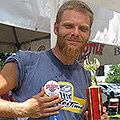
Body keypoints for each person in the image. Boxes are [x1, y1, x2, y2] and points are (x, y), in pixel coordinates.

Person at [0, 0, 109, 119]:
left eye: (83, 29)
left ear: (89, 34)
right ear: (56, 28)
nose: (76, 33)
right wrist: (24, 109)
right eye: (69, 26)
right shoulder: (25, 62)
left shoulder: (87, 77)